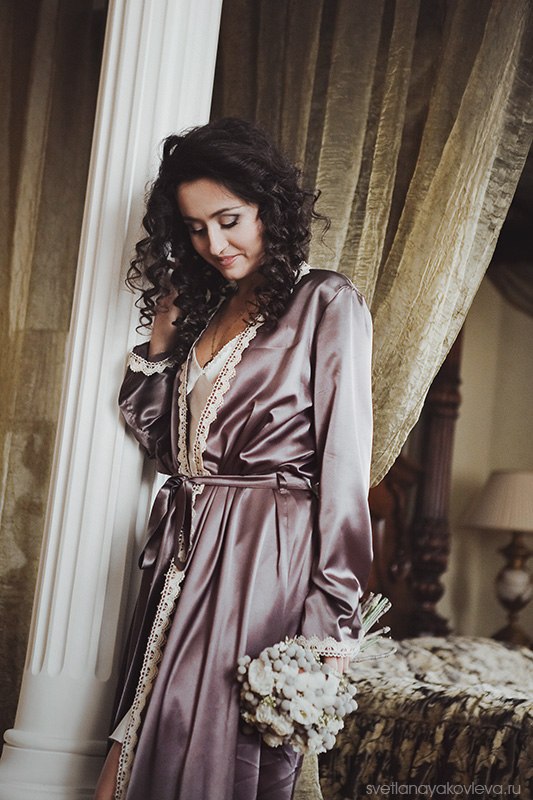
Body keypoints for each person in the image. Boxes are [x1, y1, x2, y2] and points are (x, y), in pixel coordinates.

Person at [94, 117, 373, 800]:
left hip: (262, 558)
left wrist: (330, 625)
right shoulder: (212, 308)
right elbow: (170, 448)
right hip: (185, 549)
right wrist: (162, 343)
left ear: (267, 210)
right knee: (135, 745)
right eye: (195, 229)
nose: (214, 244)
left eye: (229, 221)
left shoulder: (324, 302)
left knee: (207, 748)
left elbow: (344, 470)